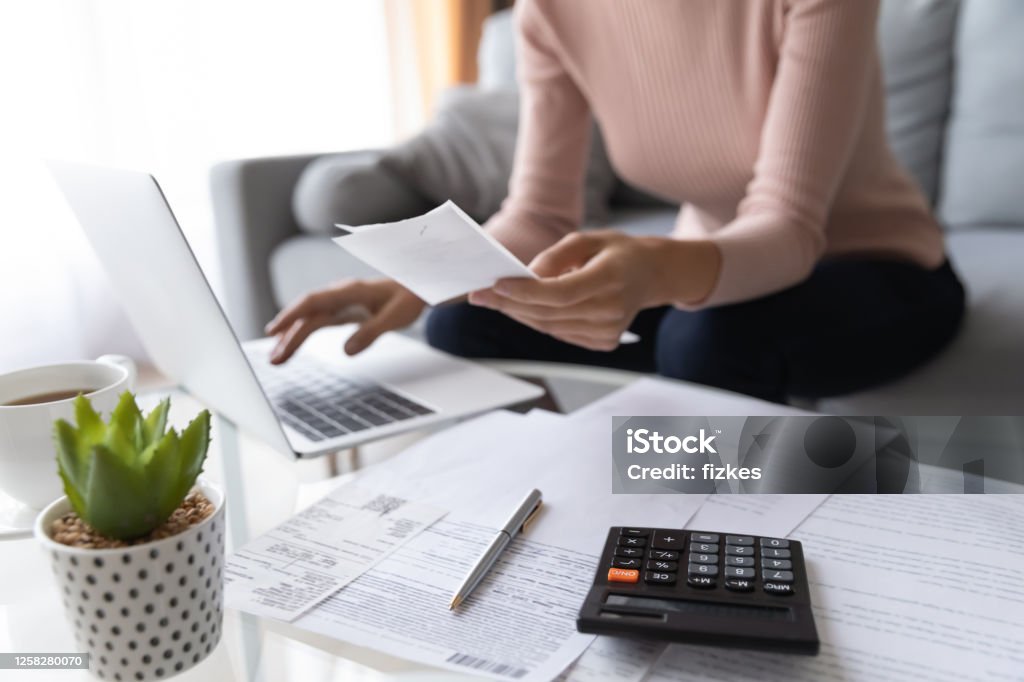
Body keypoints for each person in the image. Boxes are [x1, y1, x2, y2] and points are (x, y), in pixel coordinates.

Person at [267, 0, 965, 404]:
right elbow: (539, 215)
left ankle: (714, 561)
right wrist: (414, 283)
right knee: (467, 325)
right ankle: (541, 514)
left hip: (880, 268)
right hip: (712, 276)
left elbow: (788, 227)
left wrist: (656, 270)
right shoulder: (552, 13)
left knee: (707, 337)